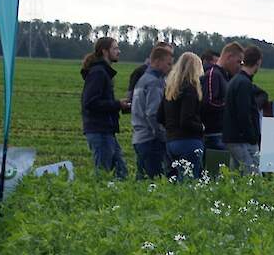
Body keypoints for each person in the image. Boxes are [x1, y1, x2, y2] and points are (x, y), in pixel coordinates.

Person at [80, 37, 129, 178]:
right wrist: (117, 104)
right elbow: (90, 102)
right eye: (115, 48)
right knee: (103, 173)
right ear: (105, 51)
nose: (118, 51)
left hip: (106, 130)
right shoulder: (98, 73)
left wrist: (118, 105)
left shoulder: (102, 72)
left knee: (121, 171)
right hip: (99, 130)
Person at [131, 44, 173, 179]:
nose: (170, 67)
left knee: (142, 180)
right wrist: (161, 134)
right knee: (155, 180)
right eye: (168, 63)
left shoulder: (142, 80)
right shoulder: (155, 83)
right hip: (151, 139)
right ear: (157, 61)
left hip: (139, 137)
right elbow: (152, 113)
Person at [159, 52, 205, 179]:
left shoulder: (170, 89)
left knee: (174, 180)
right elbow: (186, 120)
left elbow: (160, 117)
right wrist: (201, 127)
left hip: (171, 141)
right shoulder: (190, 89)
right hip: (189, 141)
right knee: (189, 181)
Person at [223, 46, 265, 174]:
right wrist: (252, 137)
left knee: (235, 175)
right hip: (243, 140)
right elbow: (244, 113)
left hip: (232, 137)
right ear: (258, 62)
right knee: (252, 175)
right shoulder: (244, 84)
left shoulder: (234, 80)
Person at [200, 42, 242, 151]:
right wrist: (231, 105)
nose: (239, 66)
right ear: (229, 57)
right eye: (238, 61)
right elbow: (208, 102)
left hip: (223, 133)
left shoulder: (225, 76)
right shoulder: (213, 74)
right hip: (214, 134)